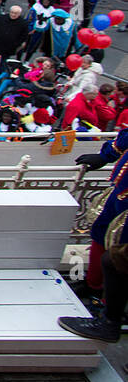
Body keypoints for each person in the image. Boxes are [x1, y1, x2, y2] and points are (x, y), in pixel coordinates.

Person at [65, 134, 128, 341]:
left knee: (119, 256)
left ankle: (110, 320)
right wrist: (106, 155)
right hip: (123, 186)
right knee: (102, 230)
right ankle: (94, 285)